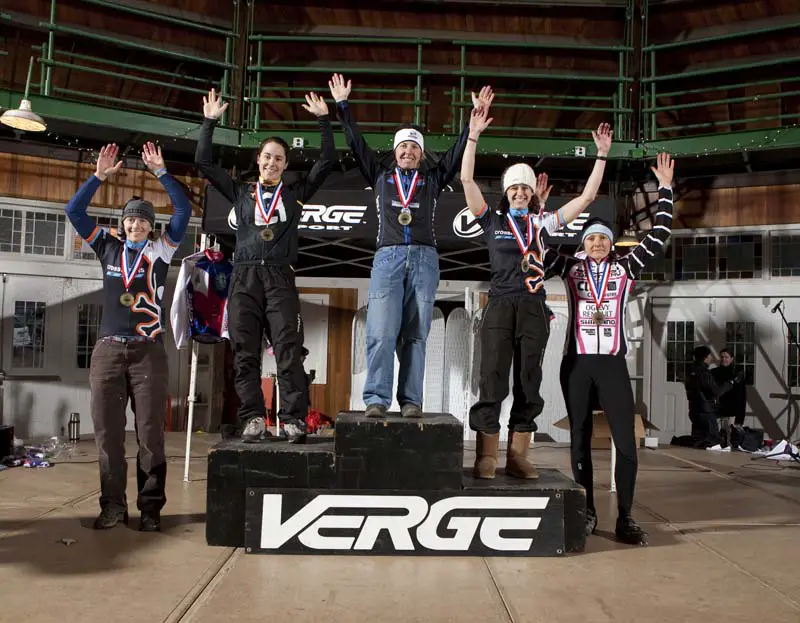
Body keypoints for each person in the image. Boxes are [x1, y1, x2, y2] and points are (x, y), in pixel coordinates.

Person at [462, 102, 614, 480]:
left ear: (532, 194)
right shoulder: (491, 220)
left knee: (529, 382)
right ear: (506, 191)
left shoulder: (543, 224)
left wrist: (601, 156)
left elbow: (586, 200)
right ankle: (486, 455)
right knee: (492, 378)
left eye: (525, 189)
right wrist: (473, 136)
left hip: (533, 307)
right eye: (514, 187)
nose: (519, 193)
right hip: (499, 306)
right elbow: (467, 181)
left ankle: (517, 455)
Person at [328, 73, 489, 418]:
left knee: (416, 334)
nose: (408, 151)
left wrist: (471, 130)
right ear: (395, 151)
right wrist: (343, 106)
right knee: (382, 332)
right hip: (387, 258)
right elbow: (356, 144)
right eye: (403, 146)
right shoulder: (379, 177)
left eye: (415, 147)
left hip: (424, 259)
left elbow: (455, 156)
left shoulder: (431, 180)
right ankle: (375, 399)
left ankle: (412, 400)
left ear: (420, 154)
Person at [541, 152, 676, 546]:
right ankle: (587, 513)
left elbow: (659, 233)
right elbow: (534, 238)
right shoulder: (569, 267)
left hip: (613, 364)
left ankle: (627, 518)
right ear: (583, 243)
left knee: (624, 441)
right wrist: (539, 206)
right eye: (591, 239)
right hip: (577, 364)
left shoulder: (626, 267)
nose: (597, 244)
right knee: (579, 437)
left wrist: (664, 189)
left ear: (611, 243)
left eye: (602, 238)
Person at [195, 89, 336, 442]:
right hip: (244, 277)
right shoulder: (241, 193)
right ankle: (254, 418)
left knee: (289, 352)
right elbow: (204, 163)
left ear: (286, 165)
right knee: (244, 354)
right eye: (267, 157)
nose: (272, 163)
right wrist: (210, 121)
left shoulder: (295, 195)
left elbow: (328, 162)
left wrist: (323, 120)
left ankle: (292, 419)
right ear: (258, 160)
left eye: (279, 159)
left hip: (279, 278)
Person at [65, 142, 191, 531]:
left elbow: (184, 210)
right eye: (130, 220)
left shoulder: (162, 251)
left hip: (148, 353)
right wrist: (99, 176)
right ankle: (113, 506)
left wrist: (162, 173)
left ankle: (150, 509)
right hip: (108, 352)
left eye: (142, 220)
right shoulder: (107, 247)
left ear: (151, 226)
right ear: (122, 224)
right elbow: (74, 211)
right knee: (108, 436)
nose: (135, 225)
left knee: (151, 434)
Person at [686, 346, 740, 448]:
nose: (712, 357)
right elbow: (717, 391)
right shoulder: (704, 373)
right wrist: (731, 382)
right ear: (705, 357)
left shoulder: (690, 371)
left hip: (694, 410)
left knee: (698, 440)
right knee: (713, 442)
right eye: (710, 355)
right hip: (706, 411)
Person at [712, 348, 747, 426]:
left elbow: (742, 397)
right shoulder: (714, 372)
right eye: (722, 357)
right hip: (717, 411)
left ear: (731, 359)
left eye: (726, 357)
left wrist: (740, 420)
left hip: (732, 412)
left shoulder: (737, 373)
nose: (723, 359)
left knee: (730, 435)